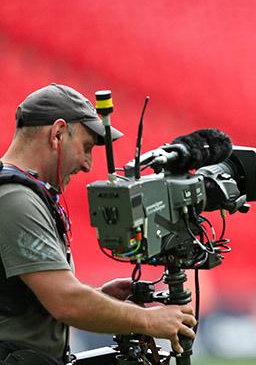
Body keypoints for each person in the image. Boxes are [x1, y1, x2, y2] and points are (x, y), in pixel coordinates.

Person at [0, 84, 197, 364]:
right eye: (87, 147)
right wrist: (149, 321)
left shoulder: (21, 193)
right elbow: (65, 302)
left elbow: (31, 302)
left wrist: (98, 297)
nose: (88, 165)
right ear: (57, 133)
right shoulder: (15, 199)